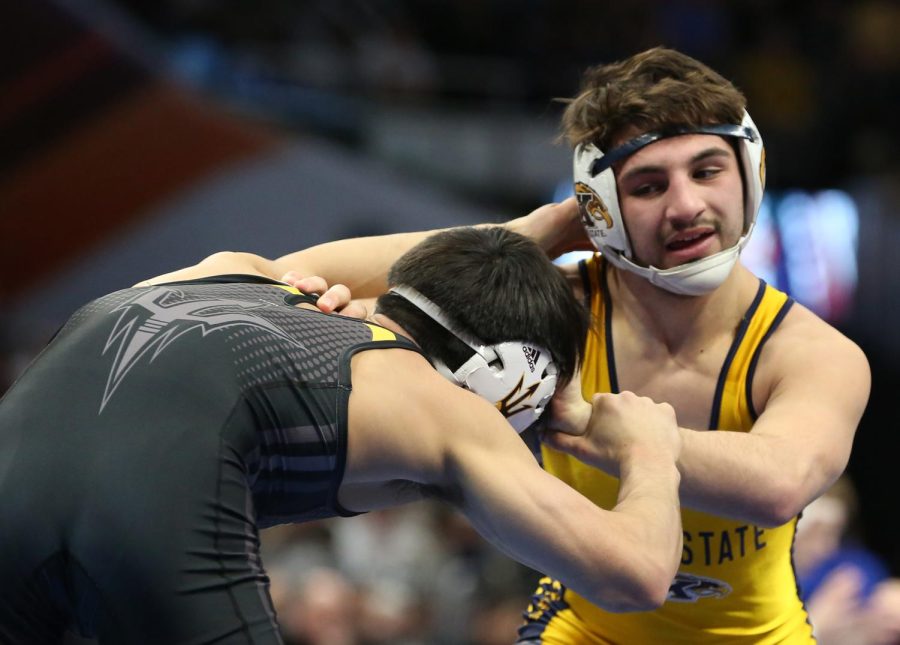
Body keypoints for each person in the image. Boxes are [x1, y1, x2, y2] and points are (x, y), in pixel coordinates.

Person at [278, 47, 871, 644]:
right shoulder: (556, 307)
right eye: (648, 185)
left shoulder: (809, 351)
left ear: (751, 171)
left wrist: (612, 433)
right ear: (600, 210)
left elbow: (781, 484)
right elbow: (284, 273)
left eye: (708, 170)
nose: (687, 206)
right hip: (581, 631)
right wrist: (514, 236)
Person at [0, 226, 684, 645]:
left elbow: (414, 267)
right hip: (150, 520)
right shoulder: (448, 407)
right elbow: (637, 574)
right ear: (514, 380)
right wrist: (650, 451)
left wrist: (533, 230)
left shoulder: (237, 270)